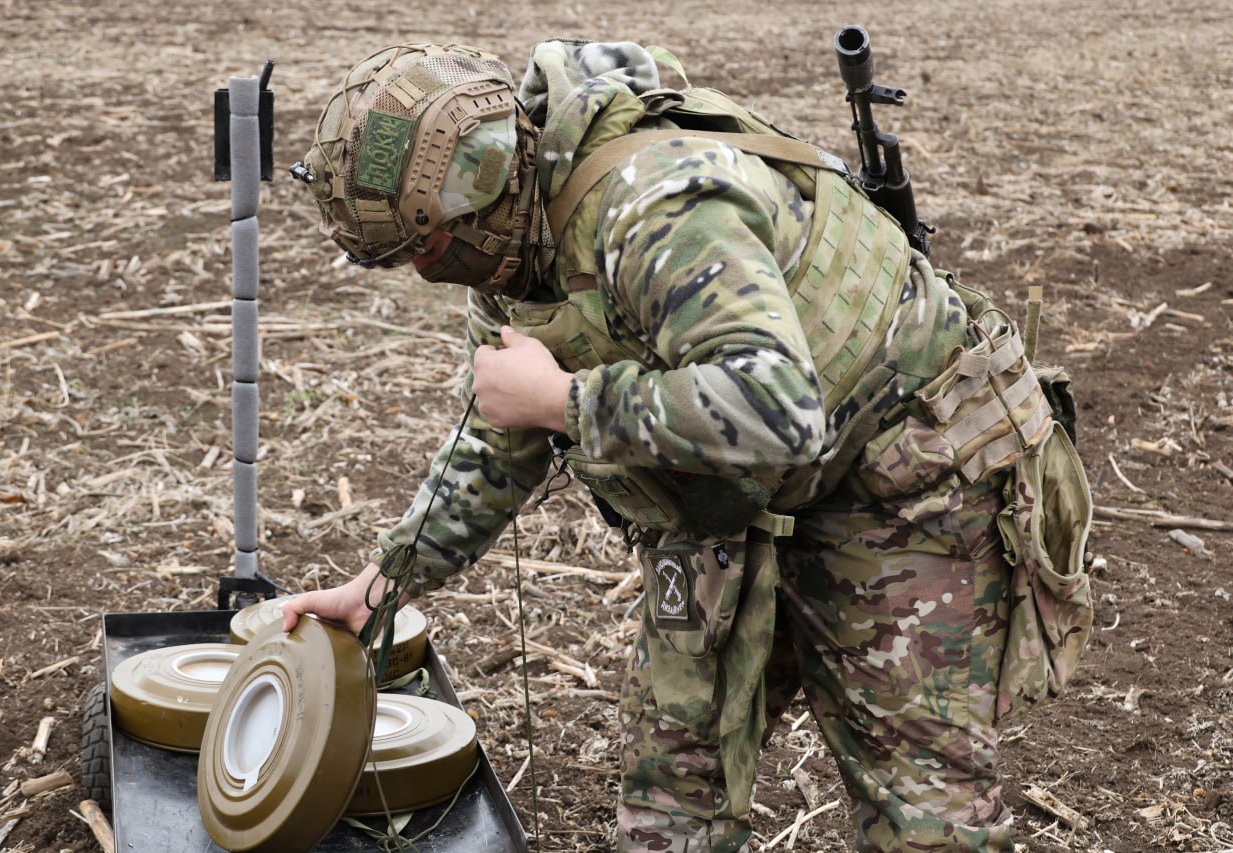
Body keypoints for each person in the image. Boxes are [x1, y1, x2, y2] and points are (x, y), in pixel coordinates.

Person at [282, 39, 1090, 852]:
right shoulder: (511, 254)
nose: (426, 270)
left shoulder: (657, 205)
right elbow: (496, 440)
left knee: (925, 822)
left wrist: (565, 401)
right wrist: (385, 581)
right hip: (726, 494)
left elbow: (780, 407)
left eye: (424, 248)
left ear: (477, 190)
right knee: (671, 804)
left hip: (899, 469)